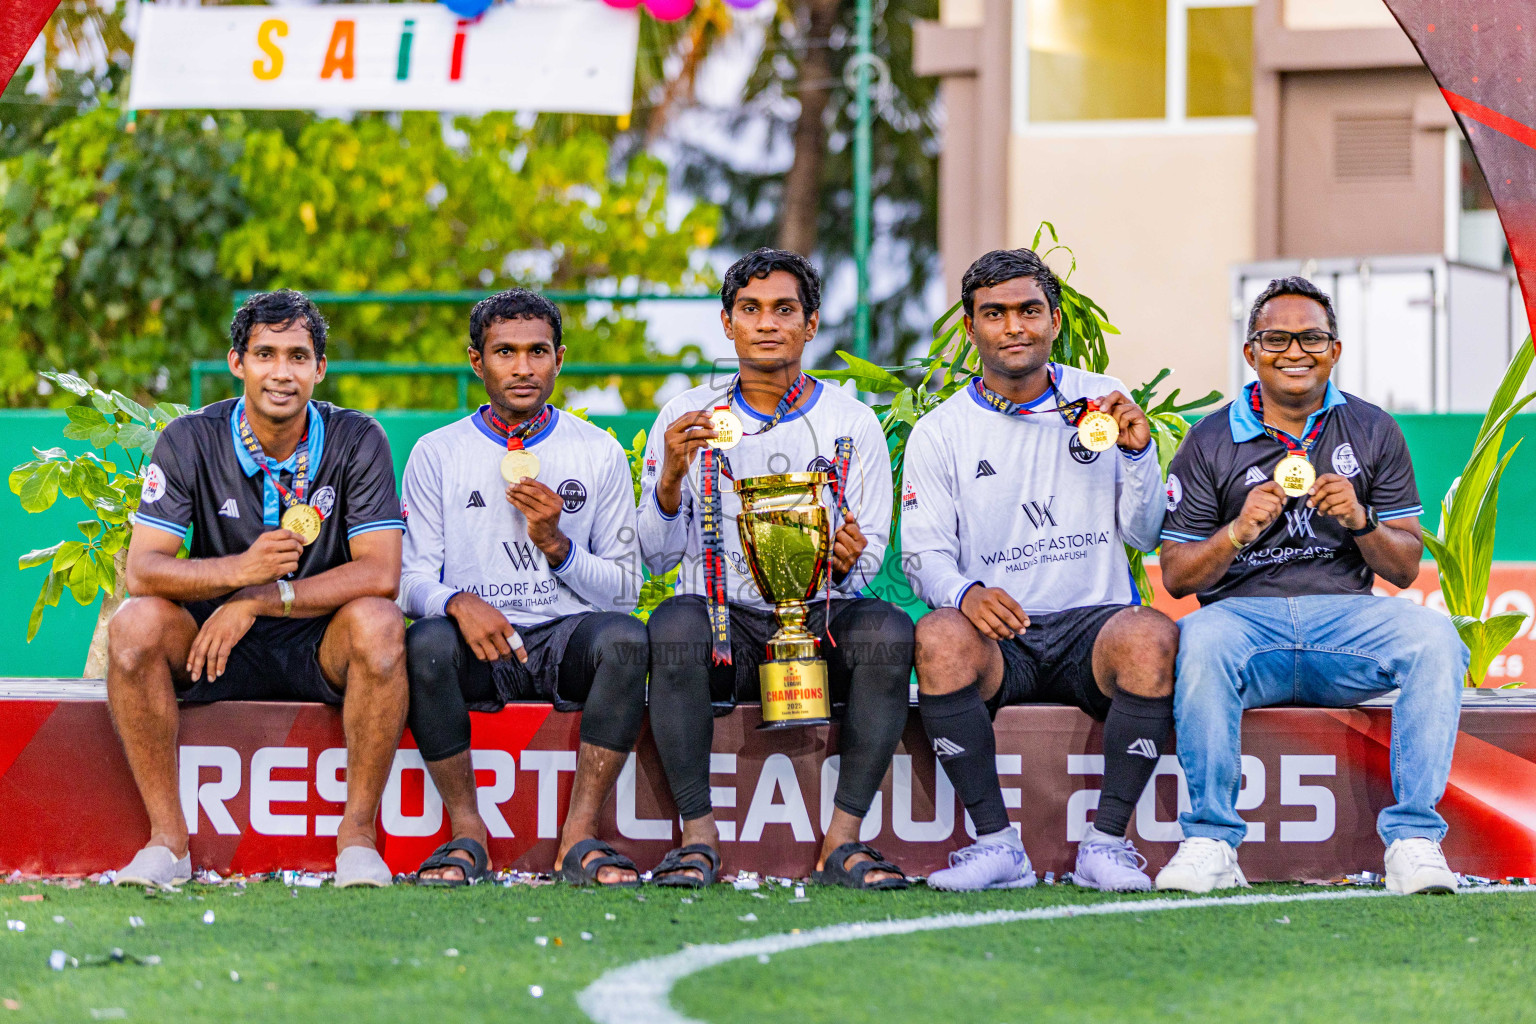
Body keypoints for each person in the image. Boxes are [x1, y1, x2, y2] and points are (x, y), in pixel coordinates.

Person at [1155, 276, 1467, 895]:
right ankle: (1212, 841)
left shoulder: (1373, 429)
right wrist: (1237, 532)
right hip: (1244, 620)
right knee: (1199, 641)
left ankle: (1413, 842)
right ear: (1251, 352)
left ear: (1335, 350)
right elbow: (1177, 574)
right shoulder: (1210, 438)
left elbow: (1404, 568)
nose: (1294, 352)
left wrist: (1361, 520)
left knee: (1435, 638)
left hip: (1345, 619)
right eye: (1276, 338)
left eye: (1311, 339)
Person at [109, 290, 408, 889]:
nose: (281, 372)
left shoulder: (357, 439)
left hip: (317, 638)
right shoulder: (191, 438)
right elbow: (142, 570)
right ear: (236, 362)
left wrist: (262, 599)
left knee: (379, 623)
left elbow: (380, 573)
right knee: (134, 624)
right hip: (211, 644)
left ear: (320, 369)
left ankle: (357, 841)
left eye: (298, 356)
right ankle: (168, 843)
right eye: (265, 354)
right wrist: (242, 572)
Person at [902, 248, 1177, 892]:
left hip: (1094, 627)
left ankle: (1107, 846)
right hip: (1003, 633)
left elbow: (1143, 533)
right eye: (994, 314)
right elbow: (923, 553)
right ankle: (997, 846)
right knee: (938, 637)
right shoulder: (941, 431)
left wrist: (1137, 457)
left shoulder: (1100, 405)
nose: (1014, 327)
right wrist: (965, 593)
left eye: (1029, 310)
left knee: (1152, 636)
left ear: (1054, 320)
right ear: (971, 331)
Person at [638, 248, 913, 889]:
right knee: (673, 625)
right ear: (727, 323)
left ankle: (844, 842)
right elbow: (653, 554)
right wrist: (673, 475)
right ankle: (698, 837)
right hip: (718, 618)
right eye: (750, 309)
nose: (767, 323)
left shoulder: (851, 420)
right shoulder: (687, 417)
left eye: (784, 310)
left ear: (811, 324)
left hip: (814, 615)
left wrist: (847, 558)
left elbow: (866, 558)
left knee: (889, 632)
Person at [398, 289, 649, 887]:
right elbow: (408, 580)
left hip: (565, 638)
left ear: (559, 359)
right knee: (427, 644)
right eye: (505, 352)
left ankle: (579, 838)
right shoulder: (439, 453)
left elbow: (625, 590)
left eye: (537, 351)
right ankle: (467, 834)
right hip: (480, 645)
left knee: (625, 641)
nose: (523, 367)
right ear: (476, 361)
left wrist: (558, 546)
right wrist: (458, 603)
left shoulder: (598, 451)